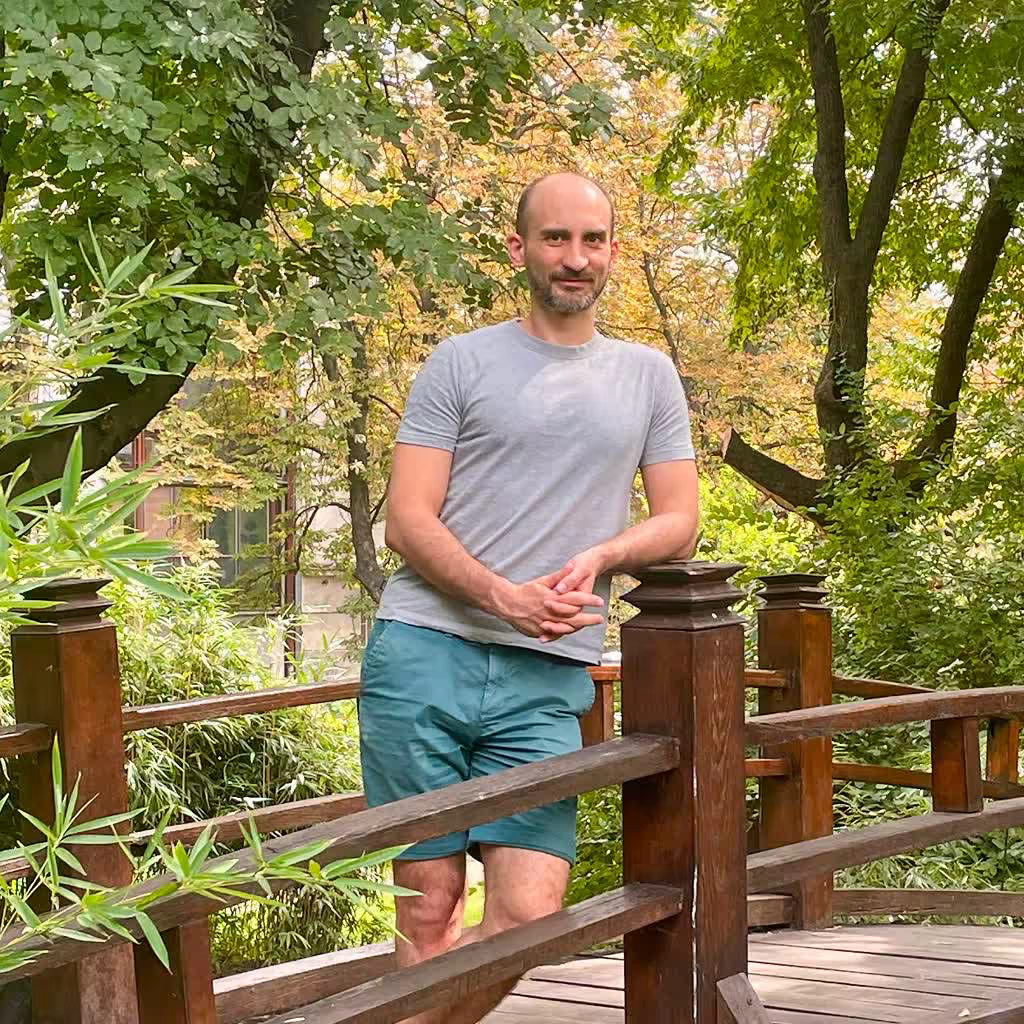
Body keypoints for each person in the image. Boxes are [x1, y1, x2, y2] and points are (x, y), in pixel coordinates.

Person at [359, 171, 699, 1024]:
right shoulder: (460, 360)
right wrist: (500, 597)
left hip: (549, 675)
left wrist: (607, 550)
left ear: (614, 252)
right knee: (427, 909)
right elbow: (407, 520)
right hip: (424, 653)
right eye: (555, 238)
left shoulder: (647, 375)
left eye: (592, 240)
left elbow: (682, 521)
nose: (574, 257)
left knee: (529, 915)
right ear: (521, 249)